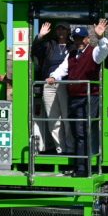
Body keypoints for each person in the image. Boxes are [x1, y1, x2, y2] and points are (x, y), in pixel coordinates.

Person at [47, 18, 108, 177]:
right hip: (74, 97)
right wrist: (53, 77)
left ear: (87, 39)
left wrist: (101, 37)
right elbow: (62, 69)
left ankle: (83, 168)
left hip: (88, 97)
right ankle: (79, 165)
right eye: (76, 39)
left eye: (81, 39)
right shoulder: (72, 53)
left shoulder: (94, 52)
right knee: (76, 132)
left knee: (83, 132)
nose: (79, 42)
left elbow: (105, 49)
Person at [32, 21, 74, 154]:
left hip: (65, 85)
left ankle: (71, 149)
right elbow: (34, 50)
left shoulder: (72, 46)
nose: (61, 32)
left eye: (63, 29)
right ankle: (60, 149)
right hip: (49, 84)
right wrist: (40, 36)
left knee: (67, 118)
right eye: (58, 29)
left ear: (68, 31)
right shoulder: (50, 45)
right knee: (53, 119)